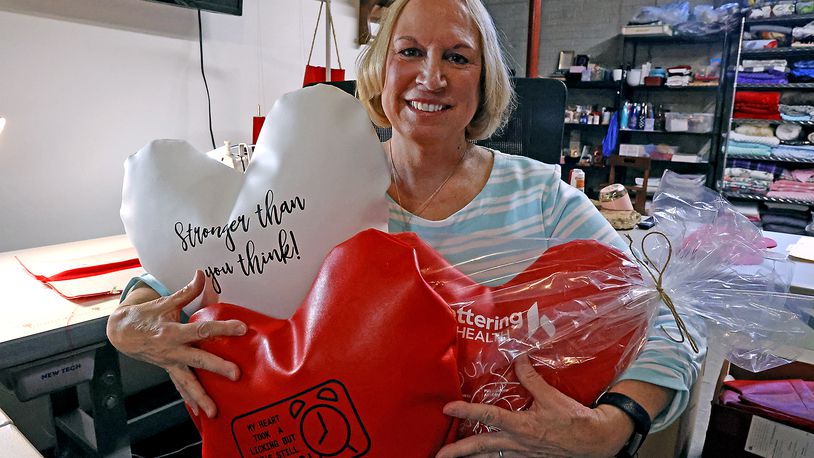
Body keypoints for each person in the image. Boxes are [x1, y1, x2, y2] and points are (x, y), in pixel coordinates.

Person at [107, 0, 705, 456]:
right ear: (380, 70)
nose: (432, 76)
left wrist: (614, 427)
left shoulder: (543, 197)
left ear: (484, 81)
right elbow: (195, 260)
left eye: (457, 56)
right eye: (410, 52)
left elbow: (669, 316)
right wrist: (133, 310)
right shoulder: (314, 181)